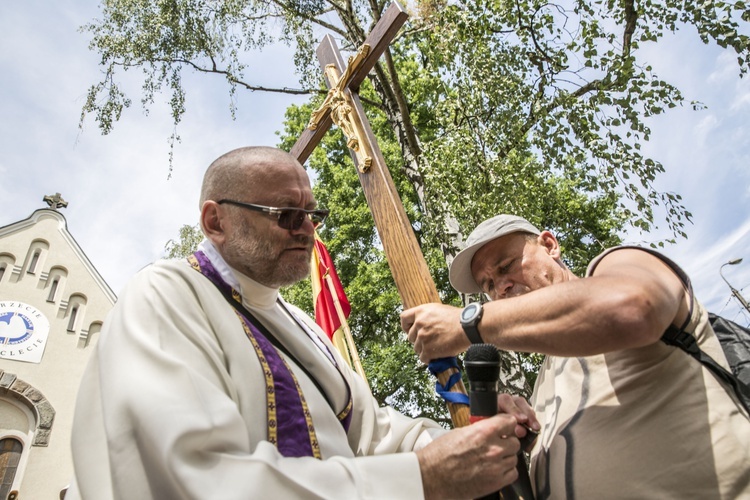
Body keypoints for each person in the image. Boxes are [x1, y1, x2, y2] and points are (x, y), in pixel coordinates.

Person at [65, 147, 526, 500]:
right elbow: (193, 476)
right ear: (215, 220)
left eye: (312, 215)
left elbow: (370, 433)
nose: (307, 229)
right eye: (286, 216)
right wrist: (420, 479)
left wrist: (468, 439)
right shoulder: (166, 295)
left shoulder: (303, 325)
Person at [401, 214, 750, 499]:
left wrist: (468, 325)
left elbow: (632, 306)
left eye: (506, 265)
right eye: (488, 285)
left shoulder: (618, 264)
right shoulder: (543, 388)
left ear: (550, 245)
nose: (500, 286)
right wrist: (520, 442)